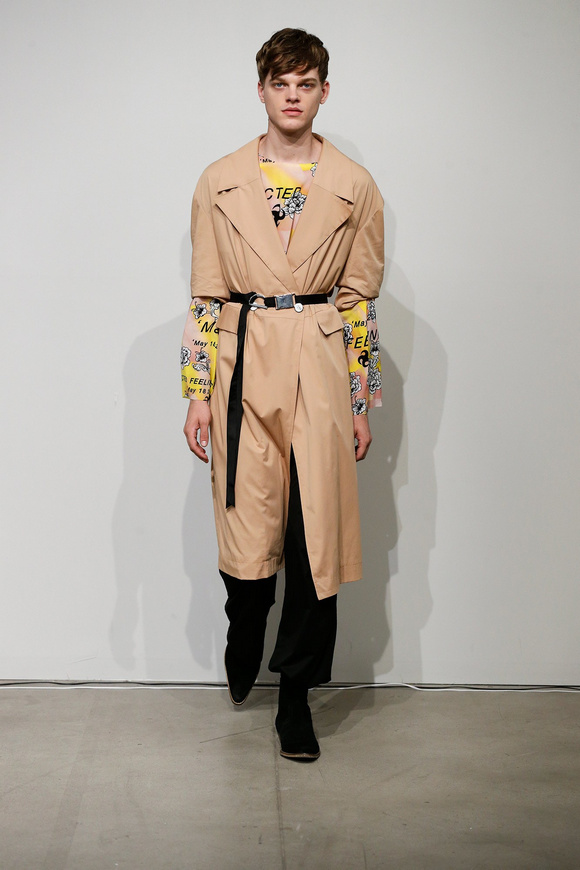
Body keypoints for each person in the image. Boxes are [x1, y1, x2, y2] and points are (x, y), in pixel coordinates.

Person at [181, 28, 384, 761]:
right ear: (261, 90)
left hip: (321, 366)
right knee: (247, 527)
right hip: (242, 363)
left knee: (314, 539)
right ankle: (244, 628)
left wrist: (360, 401)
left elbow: (359, 301)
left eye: (306, 84)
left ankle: (295, 695)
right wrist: (196, 392)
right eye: (281, 84)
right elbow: (205, 295)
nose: (293, 97)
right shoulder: (220, 180)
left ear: (324, 91)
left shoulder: (355, 185)